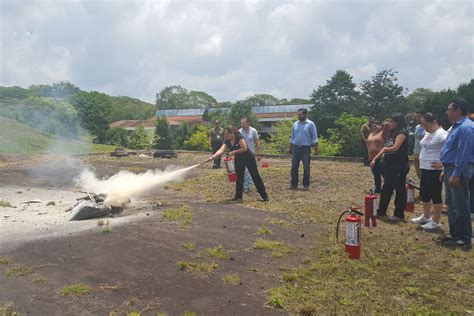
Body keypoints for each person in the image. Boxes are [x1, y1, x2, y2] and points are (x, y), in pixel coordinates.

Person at [439, 98, 474, 248]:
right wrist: (445, 170)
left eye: (449, 109)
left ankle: (464, 237)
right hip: (449, 168)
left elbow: (463, 153)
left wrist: (456, 173)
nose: (447, 112)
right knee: (451, 203)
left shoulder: (466, 128)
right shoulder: (456, 126)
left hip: (457, 169)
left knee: (460, 204)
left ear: (458, 110)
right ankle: (454, 233)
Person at [205, 126, 268, 202]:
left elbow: (244, 148)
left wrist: (233, 152)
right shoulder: (227, 140)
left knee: (255, 176)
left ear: (232, 133)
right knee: (238, 177)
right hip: (239, 159)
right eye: (225, 134)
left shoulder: (239, 137)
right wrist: (212, 157)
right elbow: (221, 150)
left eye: (227, 134)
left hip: (248, 158)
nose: (226, 136)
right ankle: (238, 197)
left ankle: (264, 197)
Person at [410, 113, 448, 230]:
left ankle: (436, 220)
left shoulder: (442, 134)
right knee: (424, 193)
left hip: (435, 170)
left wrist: (443, 164)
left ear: (434, 122)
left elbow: (450, 151)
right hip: (425, 168)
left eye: (425, 124)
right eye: (422, 124)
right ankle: (426, 216)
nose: (423, 127)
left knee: (435, 194)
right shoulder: (427, 133)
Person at [370, 113, 409, 222]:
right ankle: (381, 211)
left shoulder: (402, 133)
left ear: (397, 122)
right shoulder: (392, 133)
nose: (389, 123)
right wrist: (375, 159)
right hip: (389, 166)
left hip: (399, 166)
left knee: (399, 190)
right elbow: (384, 148)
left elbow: (395, 148)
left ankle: (399, 214)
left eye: (391, 121)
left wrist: (385, 150)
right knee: (386, 188)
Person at [289, 108, 318, 191]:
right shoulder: (295, 124)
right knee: (294, 167)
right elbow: (292, 137)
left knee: (306, 167)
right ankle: (293, 184)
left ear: (305, 115)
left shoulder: (311, 124)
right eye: (298, 114)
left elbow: (315, 138)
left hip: (306, 148)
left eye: (300, 114)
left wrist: (316, 149)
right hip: (295, 147)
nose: (298, 116)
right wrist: (289, 147)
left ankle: (306, 185)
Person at [239, 117, 261, 193]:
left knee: (249, 171)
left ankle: (248, 186)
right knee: (243, 171)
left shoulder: (253, 131)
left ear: (248, 123)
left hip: (251, 154)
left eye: (243, 123)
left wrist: (258, 154)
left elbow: (257, 143)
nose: (242, 125)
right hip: (241, 155)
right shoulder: (239, 132)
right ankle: (244, 185)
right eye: (241, 123)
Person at [366, 120, 385, 194]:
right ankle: (378, 189)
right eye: (373, 126)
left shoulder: (382, 133)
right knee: (376, 174)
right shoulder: (370, 134)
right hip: (371, 157)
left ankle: (389, 188)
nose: (375, 127)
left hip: (380, 157)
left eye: (376, 125)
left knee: (384, 173)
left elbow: (386, 125)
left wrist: (381, 126)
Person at [413, 110, 425, 179]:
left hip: (423, 153)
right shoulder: (417, 127)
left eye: (419, 116)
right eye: (416, 117)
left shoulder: (427, 127)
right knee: (418, 171)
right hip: (416, 152)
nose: (417, 118)